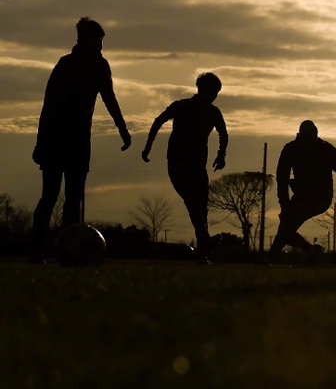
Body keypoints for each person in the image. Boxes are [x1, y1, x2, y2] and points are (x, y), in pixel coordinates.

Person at [31, 17, 132, 262]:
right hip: (73, 138)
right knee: (68, 197)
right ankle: (61, 252)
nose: (101, 45)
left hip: (57, 137)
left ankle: (46, 253)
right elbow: (109, 98)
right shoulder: (96, 64)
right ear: (90, 39)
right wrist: (122, 129)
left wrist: (40, 141)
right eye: (99, 40)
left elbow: (48, 105)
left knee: (53, 196)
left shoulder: (66, 63)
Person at [142, 72, 228, 264]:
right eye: (212, 92)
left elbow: (223, 134)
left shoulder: (213, 112)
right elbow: (158, 121)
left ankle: (203, 253)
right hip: (177, 162)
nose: (214, 96)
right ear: (203, 90)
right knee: (192, 201)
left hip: (198, 165)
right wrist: (148, 147)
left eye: (216, 93)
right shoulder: (181, 106)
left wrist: (221, 155)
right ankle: (205, 240)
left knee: (201, 207)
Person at [269, 120, 336, 258]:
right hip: (302, 195)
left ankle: (272, 256)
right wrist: (284, 205)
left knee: (287, 226)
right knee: (286, 227)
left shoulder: (325, 149)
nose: (310, 142)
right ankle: (308, 251)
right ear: (300, 136)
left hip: (321, 196)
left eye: (313, 137)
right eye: (307, 138)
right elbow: (281, 180)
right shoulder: (290, 149)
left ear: (316, 136)